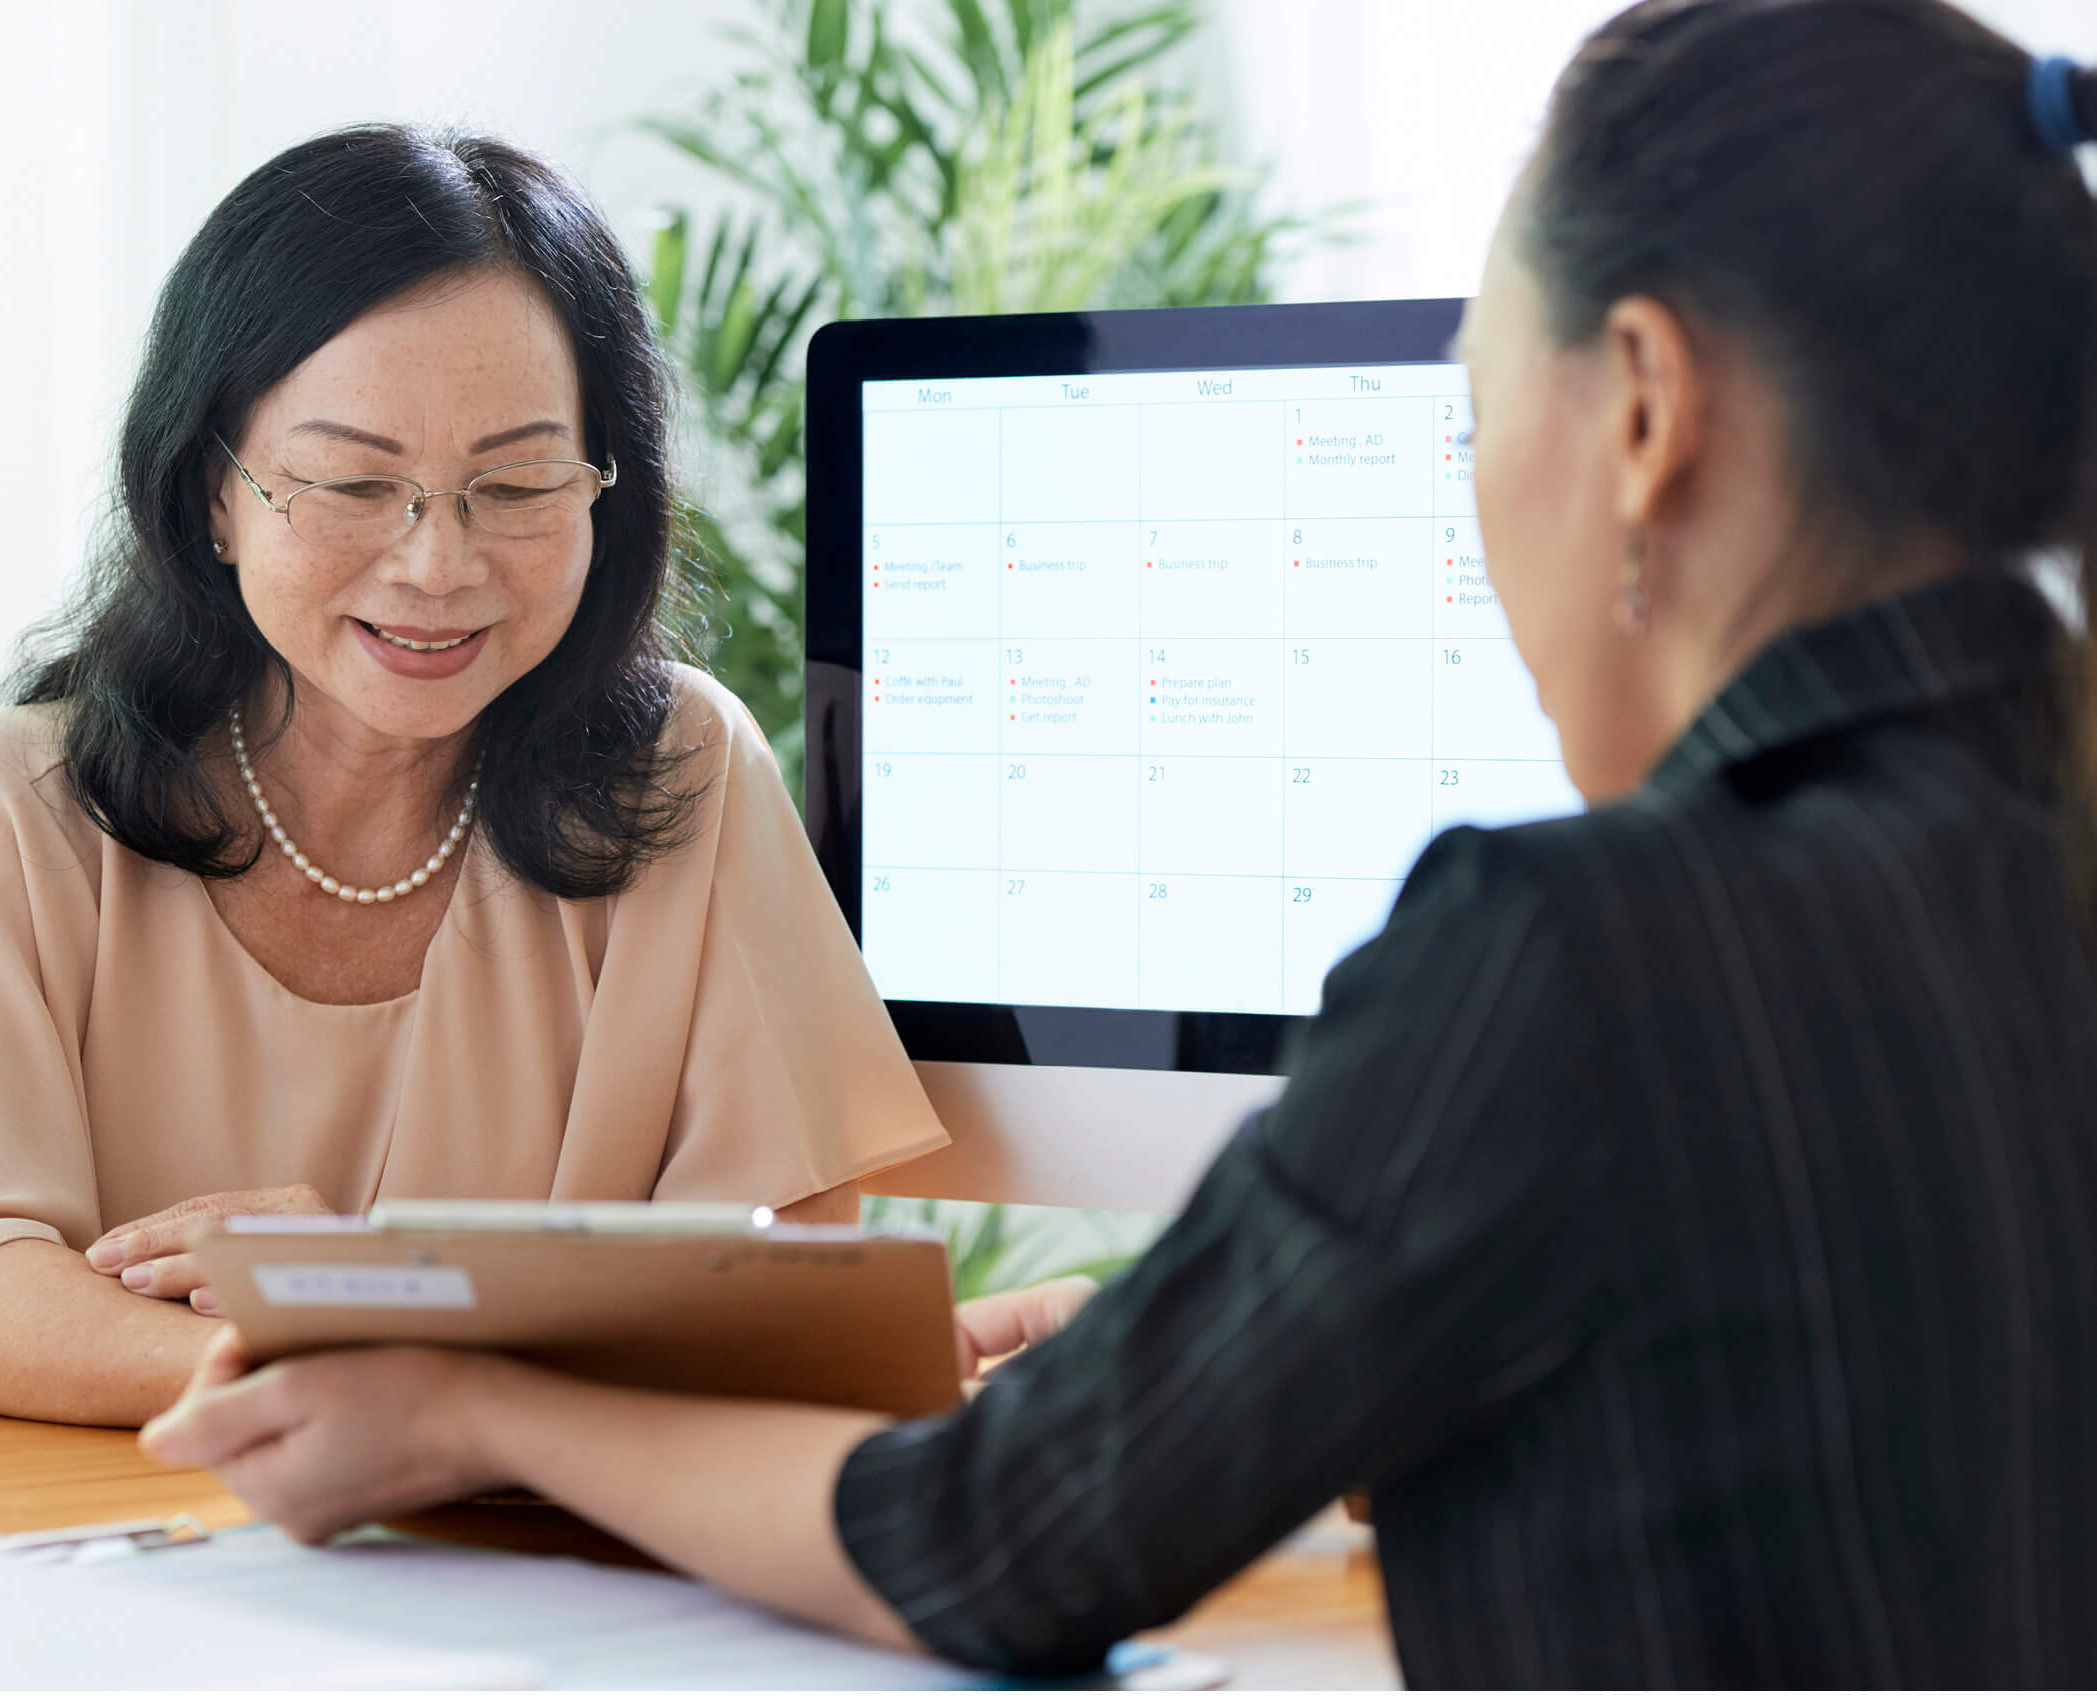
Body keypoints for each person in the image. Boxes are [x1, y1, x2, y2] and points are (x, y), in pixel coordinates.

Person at [140, 1, 2097, 1684]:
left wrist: (472, 1403)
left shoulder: (1576, 948)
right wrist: (1251, 1359)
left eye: (1474, 404)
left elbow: (998, 1550)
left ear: (1645, 411)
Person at [0, 127, 948, 1426]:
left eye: (518, 481)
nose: (437, 565)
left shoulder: (686, 771)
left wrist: (392, 1312)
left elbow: (790, 1269)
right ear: (215, 491)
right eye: (356, 482)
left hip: (517, 1585)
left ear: (608, 487)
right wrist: (378, 1359)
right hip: (68, 1579)